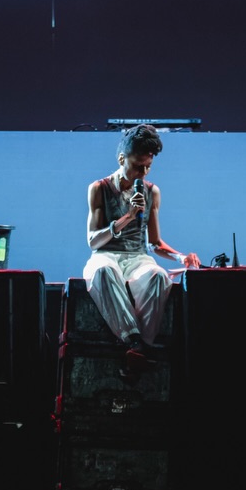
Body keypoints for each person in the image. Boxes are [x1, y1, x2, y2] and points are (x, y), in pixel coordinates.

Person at [84, 125, 200, 368]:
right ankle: (134, 341)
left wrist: (181, 258)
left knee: (159, 276)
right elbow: (93, 241)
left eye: (148, 166)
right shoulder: (99, 188)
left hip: (137, 257)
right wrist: (127, 217)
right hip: (106, 254)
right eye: (138, 166)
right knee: (103, 272)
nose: (143, 172)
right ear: (121, 159)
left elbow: (154, 243)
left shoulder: (151, 191)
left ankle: (139, 349)